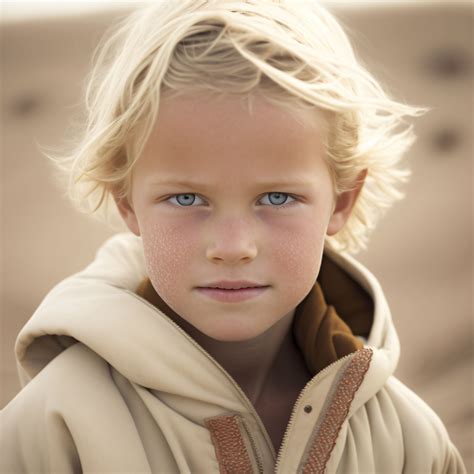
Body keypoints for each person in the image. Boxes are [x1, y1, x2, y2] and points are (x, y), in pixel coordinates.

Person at [0, 1, 466, 472]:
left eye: (277, 198)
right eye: (186, 199)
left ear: (341, 200)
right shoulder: (56, 426)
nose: (232, 247)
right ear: (126, 202)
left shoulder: (408, 441)